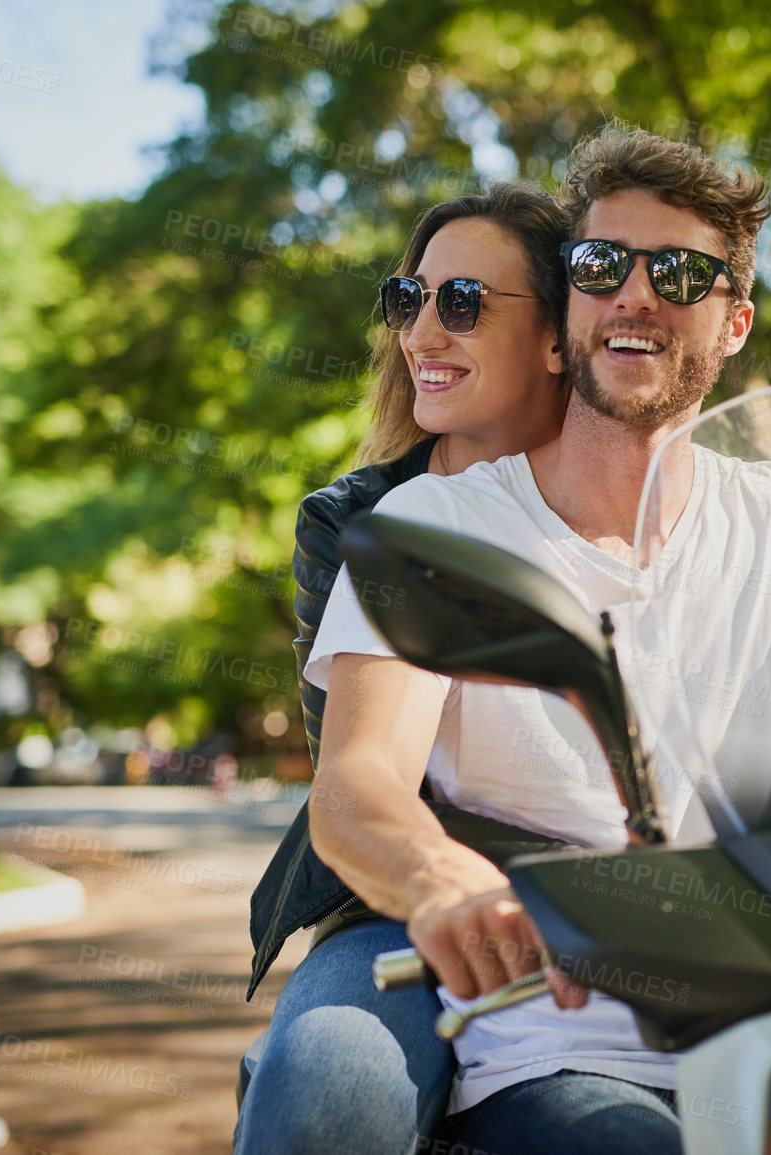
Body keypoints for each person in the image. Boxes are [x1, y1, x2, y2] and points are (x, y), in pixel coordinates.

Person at [302, 126, 771, 1154]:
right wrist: (438, 879)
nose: (637, 294)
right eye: (602, 266)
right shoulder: (434, 531)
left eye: (682, 273)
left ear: (734, 323)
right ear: (568, 316)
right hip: (558, 1037)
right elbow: (357, 784)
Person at [235, 182, 573, 1154]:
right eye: (407, 299)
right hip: (395, 900)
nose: (422, 329)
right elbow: (363, 775)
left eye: (462, 303)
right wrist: (445, 882)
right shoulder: (357, 522)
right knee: (326, 1083)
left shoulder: (640, 509)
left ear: (559, 335)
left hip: (622, 901)